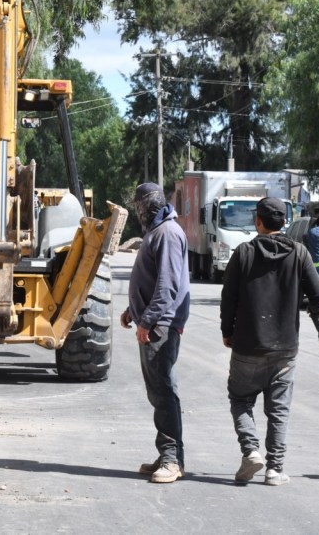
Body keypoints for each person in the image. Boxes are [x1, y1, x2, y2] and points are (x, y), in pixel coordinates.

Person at [220, 197, 319, 486]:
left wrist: (227, 331)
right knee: (279, 409)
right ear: (284, 222)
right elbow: (318, 294)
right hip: (285, 348)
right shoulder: (299, 253)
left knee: (240, 399)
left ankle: (251, 451)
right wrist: (315, 309)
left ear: (258, 221)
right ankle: (274, 469)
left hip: (247, 344)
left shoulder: (243, 253)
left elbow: (228, 297)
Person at [120, 182, 190, 484]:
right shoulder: (157, 231)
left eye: (139, 205)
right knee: (159, 392)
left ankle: (172, 460)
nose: (138, 211)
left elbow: (167, 286)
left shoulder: (167, 233)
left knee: (163, 393)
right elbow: (151, 279)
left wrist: (147, 321)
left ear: (149, 205)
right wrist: (133, 310)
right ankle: (167, 455)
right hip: (154, 322)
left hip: (161, 326)